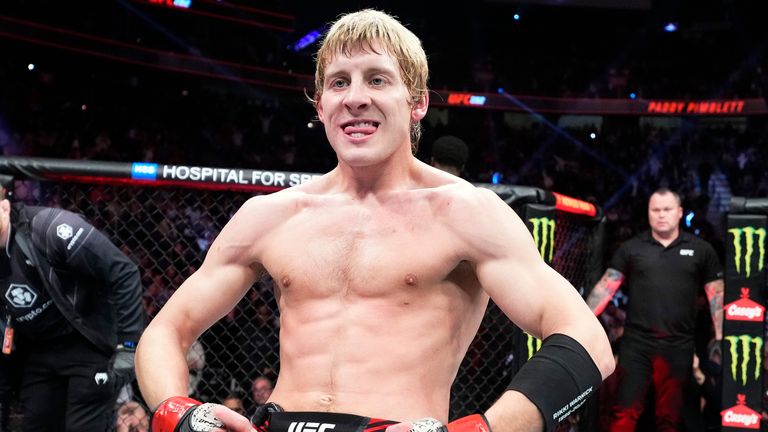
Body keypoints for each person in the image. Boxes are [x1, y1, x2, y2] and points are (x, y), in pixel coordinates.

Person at [136, 9, 614, 432]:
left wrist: (483, 429)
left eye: (378, 79)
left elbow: (587, 339)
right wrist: (181, 415)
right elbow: (165, 332)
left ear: (418, 102)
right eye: (339, 82)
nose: (355, 98)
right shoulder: (271, 215)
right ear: (320, 105)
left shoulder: (466, 212)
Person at [0, 184, 145, 431]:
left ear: (4, 206)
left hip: (86, 341)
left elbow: (123, 271)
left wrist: (129, 346)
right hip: (38, 352)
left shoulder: (50, 227)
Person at [586, 188, 723, 431]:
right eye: (655, 210)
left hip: (678, 345)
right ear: (648, 213)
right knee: (624, 412)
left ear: (679, 212)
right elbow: (606, 287)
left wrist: (721, 336)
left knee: (670, 417)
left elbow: (716, 294)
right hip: (637, 344)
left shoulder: (701, 250)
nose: (661, 215)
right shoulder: (632, 248)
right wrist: (582, 321)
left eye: (667, 209)